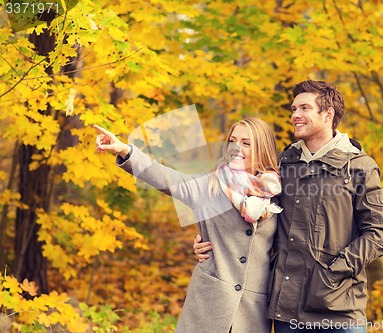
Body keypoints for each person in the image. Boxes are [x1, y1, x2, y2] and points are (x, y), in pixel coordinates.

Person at [194, 80, 383, 333]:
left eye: (304, 108)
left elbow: (379, 234)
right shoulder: (282, 164)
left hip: (340, 311)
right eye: (293, 109)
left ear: (328, 114)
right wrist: (206, 240)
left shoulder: (358, 166)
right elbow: (249, 214)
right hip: (288, 311)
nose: (295, 115)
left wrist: (332, 272)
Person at [94, 117, 282, 333]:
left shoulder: (276, 192)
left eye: (246, 143)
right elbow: (165, 178)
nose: (236, 148)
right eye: (233, 140)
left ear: (262, 148)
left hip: (252, 312)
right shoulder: (210, 186)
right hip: (209, 305)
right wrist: (125, 150)